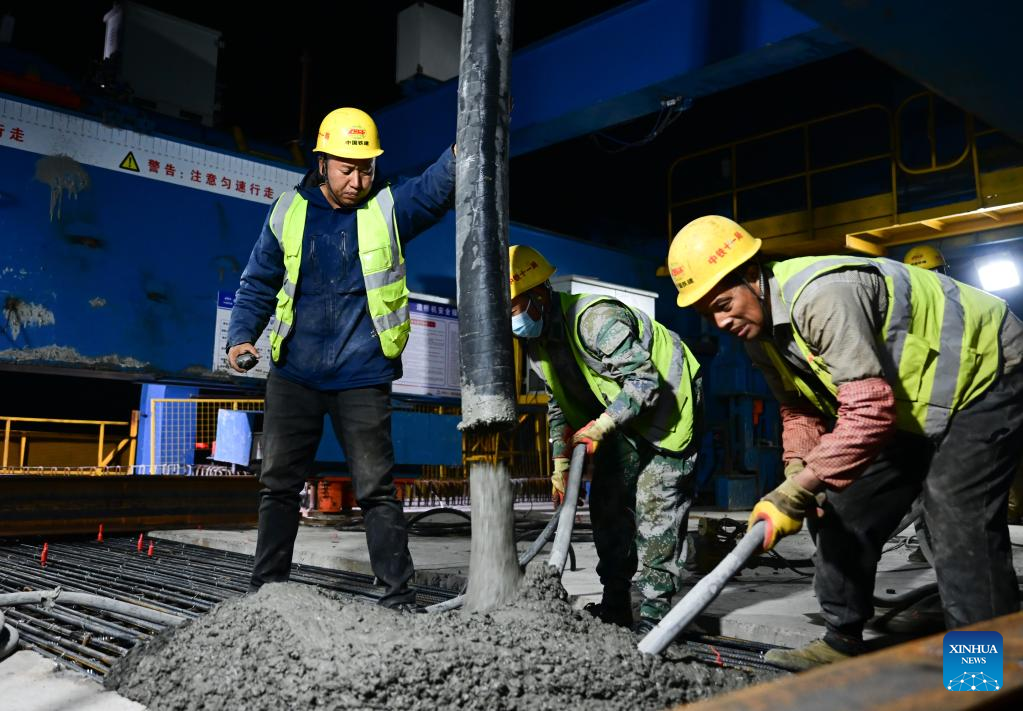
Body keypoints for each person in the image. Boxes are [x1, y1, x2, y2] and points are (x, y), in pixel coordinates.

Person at [667, 215, 1023, 670]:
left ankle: (985, 672)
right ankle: (841, 640)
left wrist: (795, 489)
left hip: (989, 374)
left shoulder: (821, 296)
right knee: (836, 503)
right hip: (916, 404)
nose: (721, 321)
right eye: (708, 314)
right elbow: (798, 410)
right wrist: (799, 473)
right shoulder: (761, 337)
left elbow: (869, 409)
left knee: (955, 513)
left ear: (752, 275)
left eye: (724, 303)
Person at [227, 107, 456, 611]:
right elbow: (258, 281)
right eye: (348, 169)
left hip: (362, 373)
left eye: (367, 168)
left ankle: (396, 597)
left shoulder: (387, 209)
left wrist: (467, 146)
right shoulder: (288, 210)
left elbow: (436, 188)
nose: (358, 180)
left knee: (376, 489)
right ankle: (266, 593)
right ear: (323, 162)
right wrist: (241, 337)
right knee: (279, 487)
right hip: (294, 373)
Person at [508, 245, 703, 633]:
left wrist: (601, 427)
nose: (510, 319)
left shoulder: (596, 319)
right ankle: (616, 605)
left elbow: (645, 381)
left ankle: (656, 622)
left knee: (654, 512)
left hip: (668, 408)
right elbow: (560, 404)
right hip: (620, 420)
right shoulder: (539, 345)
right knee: (607, 509)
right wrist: (561, 462)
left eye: (513, 307)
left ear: (541, 294)